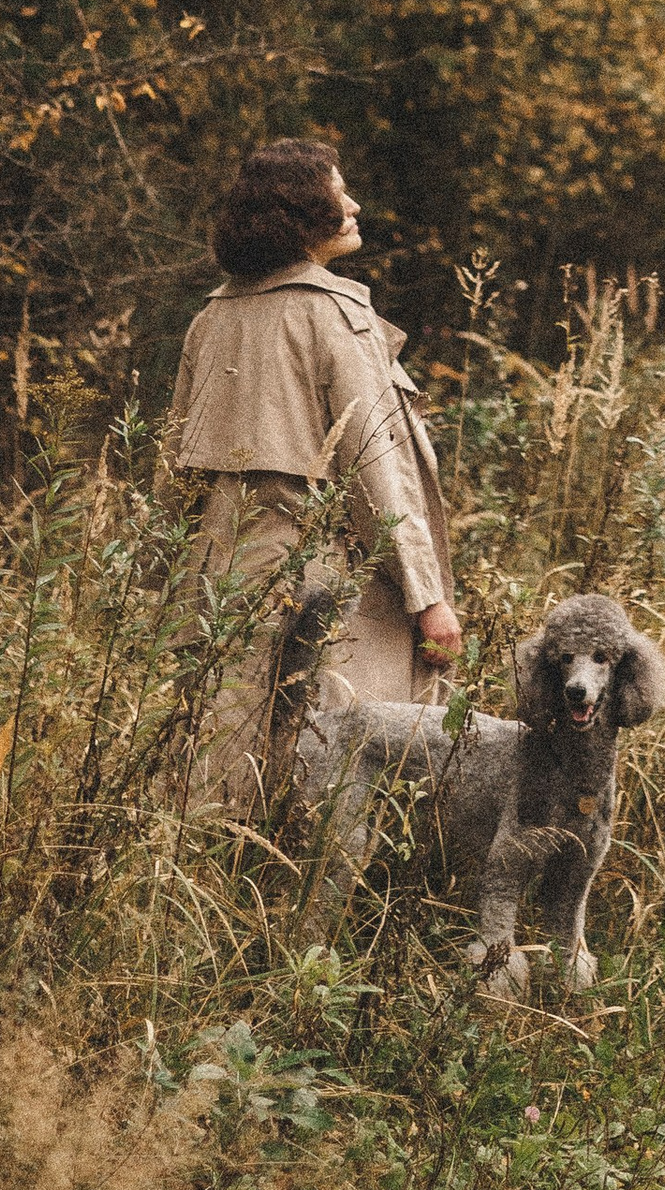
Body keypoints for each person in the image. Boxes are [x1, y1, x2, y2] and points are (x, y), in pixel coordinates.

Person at [169, 136, 463, 819]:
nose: (354, 204)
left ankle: (219, 904)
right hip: (324, 579)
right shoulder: (334, 314)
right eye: (338, 190)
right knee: (331, 764)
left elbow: (171, 471)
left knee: (221, 762)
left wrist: (167, 582)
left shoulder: (210, 318)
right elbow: (376, 469)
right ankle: (311, 909)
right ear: (302, 209)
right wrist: (427, 597)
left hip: (219, 575)